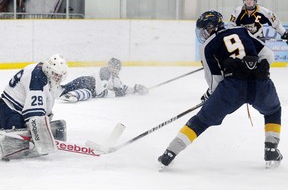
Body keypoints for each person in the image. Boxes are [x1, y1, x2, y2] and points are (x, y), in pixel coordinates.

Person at [158, 10, 282, 170]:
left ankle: (169, 153)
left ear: (210, 28)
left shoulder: (207, 46)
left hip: (232, 89)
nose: (203, 33)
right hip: (260, 83)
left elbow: (216, 82)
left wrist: (209, 95)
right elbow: (269, 55)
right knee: (273, 110)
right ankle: (271, 150)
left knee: (201, 121)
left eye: (204, 29)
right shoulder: (241, 30)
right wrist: (251, 66)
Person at [0, 54, 68, 160]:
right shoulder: (38, 77)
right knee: (15, 143)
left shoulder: (43, 73)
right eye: (55, 74)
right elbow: (33, 114)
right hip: (8, 110)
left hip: (13, 108)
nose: (57, 78)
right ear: (49, 69)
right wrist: (39, 134)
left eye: (59, 75)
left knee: (55, 128)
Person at [59, 57, 149, 103]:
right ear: (111, 67)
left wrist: (135, 89)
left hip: (89, 87)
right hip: (85, 82)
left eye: (119, 68)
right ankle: (68, 94)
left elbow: (122, 88)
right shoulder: (105, 72)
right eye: (117, 68)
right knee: (64, 89)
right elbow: (100, 92)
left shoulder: (115, 78)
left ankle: (69, 94)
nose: (119, 70)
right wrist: (116, 93)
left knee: (87, 93)